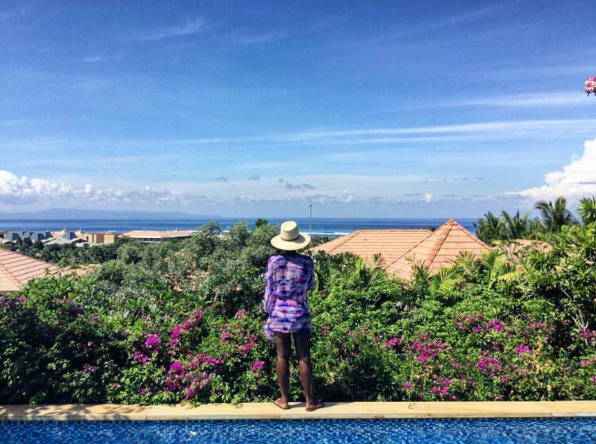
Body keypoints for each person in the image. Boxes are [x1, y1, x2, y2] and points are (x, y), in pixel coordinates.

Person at [264, 221, 324, 411]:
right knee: (304, 356)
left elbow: (270, 289)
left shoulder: (274, 261)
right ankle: (310, 401)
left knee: (282, 356)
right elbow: (310, 285)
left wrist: (268, 311)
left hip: (279, 313)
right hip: (300, 312)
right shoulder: (307, 262)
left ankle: (284, 400)